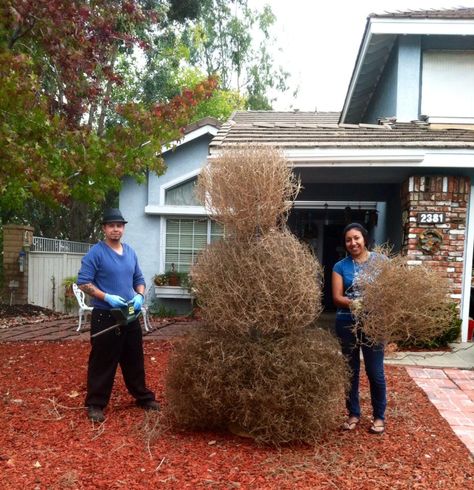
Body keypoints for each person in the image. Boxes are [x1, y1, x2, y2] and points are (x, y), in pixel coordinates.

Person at [77, 208, 159, 422]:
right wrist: (107, 297)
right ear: (104, 228)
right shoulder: (96, 252)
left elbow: (139, 278)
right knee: (103, 360)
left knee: (134, 357)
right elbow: (84, 282)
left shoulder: (130, 252)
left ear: (123, 228)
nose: (116, 229)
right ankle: (95, 404)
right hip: (106, 314)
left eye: (119, 225)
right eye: (111, 225)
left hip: (129, 313)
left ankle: (142, 397)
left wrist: (140, 296)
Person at [331, 222, 386, 434]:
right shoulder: (340, 266)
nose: (353, 243)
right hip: (347, 322)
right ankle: (353, 413)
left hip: (374, 324)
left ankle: (379, 416)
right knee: (350, 371)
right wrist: (355, 303)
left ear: (364, 238)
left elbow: (390, 292)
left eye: (356, 238)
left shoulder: (382, 262)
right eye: (348, 240)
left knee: (375, 372)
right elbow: (337, 298)